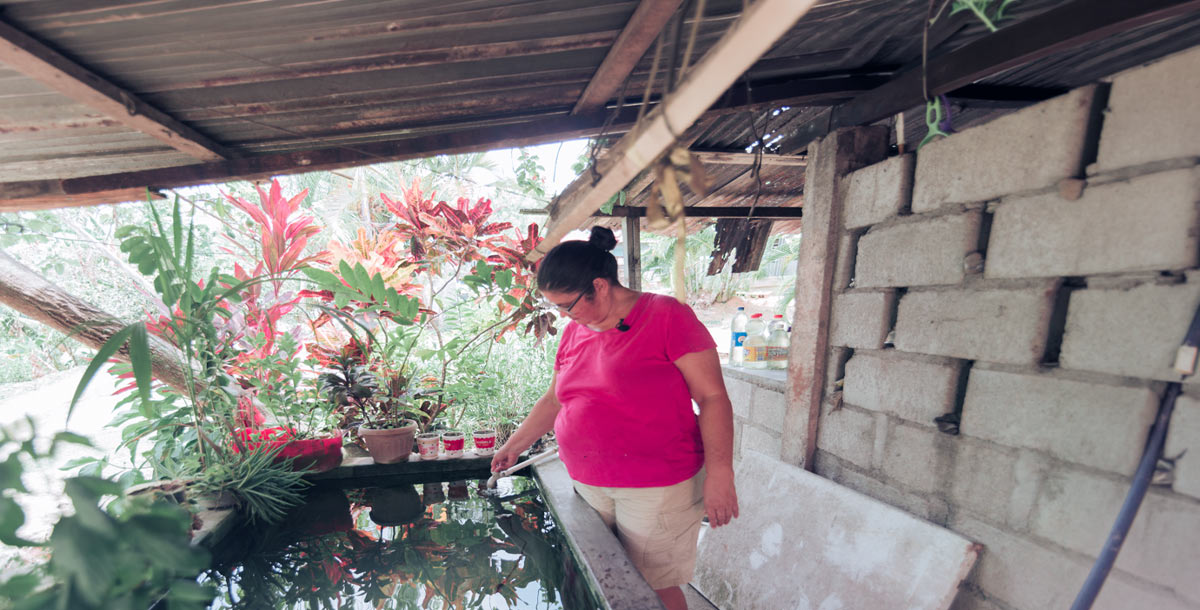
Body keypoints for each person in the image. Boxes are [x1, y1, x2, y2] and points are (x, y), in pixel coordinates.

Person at [491, 226, 739, 610]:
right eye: (556, 307)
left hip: (656, 484)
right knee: (605, 582)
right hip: (589, 482)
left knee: (652, 588)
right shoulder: (575, 331)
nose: (563, 316)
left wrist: (721, 473)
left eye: (567, 305)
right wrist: (514, 446)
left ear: (600, 286)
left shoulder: (666, 316)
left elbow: (712, 398)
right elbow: (555, 399)